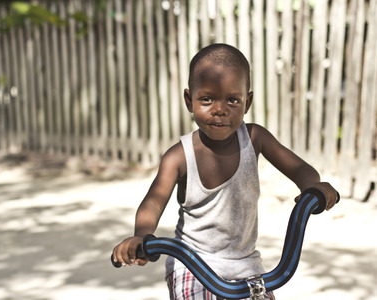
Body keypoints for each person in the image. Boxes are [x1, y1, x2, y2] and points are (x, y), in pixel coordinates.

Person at [112, 43, 339, 300]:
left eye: (232, 100)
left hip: (244, 264)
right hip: (193, 263)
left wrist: (312, 187)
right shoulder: (179, 156)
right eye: (207, 99)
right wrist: (142, 237)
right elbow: (153, 201)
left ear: (248, 102)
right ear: (189, 100)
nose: (219, 109)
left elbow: (300, 168)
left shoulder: (255, 138)